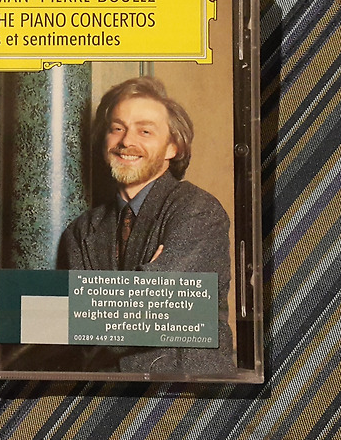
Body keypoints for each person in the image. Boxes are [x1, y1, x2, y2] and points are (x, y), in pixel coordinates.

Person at [58, 76, 232, 373]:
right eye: (117, 128)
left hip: (182, 390)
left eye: (145, 131)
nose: (126, 141)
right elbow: (71, 329)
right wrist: (143, 284)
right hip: (103, 390)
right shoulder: (81, 230)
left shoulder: (198, 211)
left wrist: (100, 304)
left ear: (172, 148)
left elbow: (151, 311)